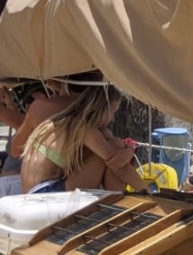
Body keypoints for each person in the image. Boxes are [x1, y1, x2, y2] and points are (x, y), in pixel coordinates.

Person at [19, 82, 150, 194]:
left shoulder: (67, 122)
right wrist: (148, 191)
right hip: (44, 194)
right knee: (114, 147)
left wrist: (126, 150)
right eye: (113, 111)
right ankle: (116, 203)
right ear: (101, 108)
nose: (113, 119)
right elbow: (116, 163)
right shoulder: (83, 128)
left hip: (34, 193)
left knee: (114, 145)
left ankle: (115, 200)